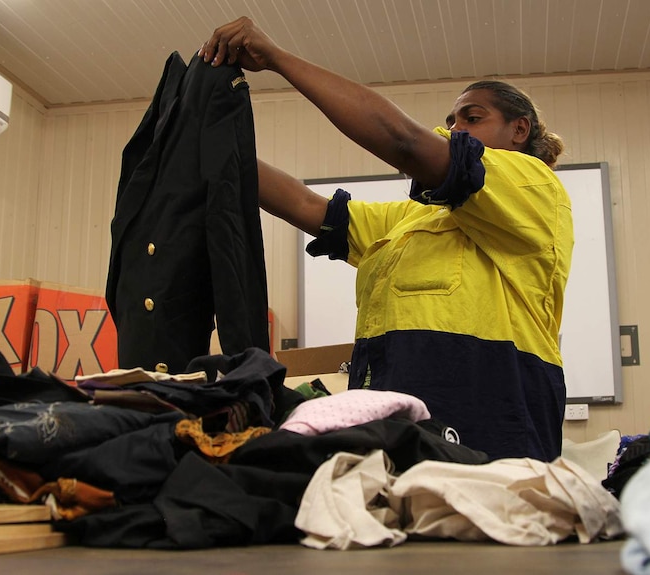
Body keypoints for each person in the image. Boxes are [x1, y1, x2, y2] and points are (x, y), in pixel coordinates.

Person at [198, 18, 573, 461]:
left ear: (520, 130)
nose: (455, 129)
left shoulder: (534, 189)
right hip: (393, 429)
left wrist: (277, 58)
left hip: (489, 424)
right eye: (451, 121)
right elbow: (305, 206)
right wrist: (208, 151)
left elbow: (405, 142)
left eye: (472, 118)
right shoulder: (413, 220)